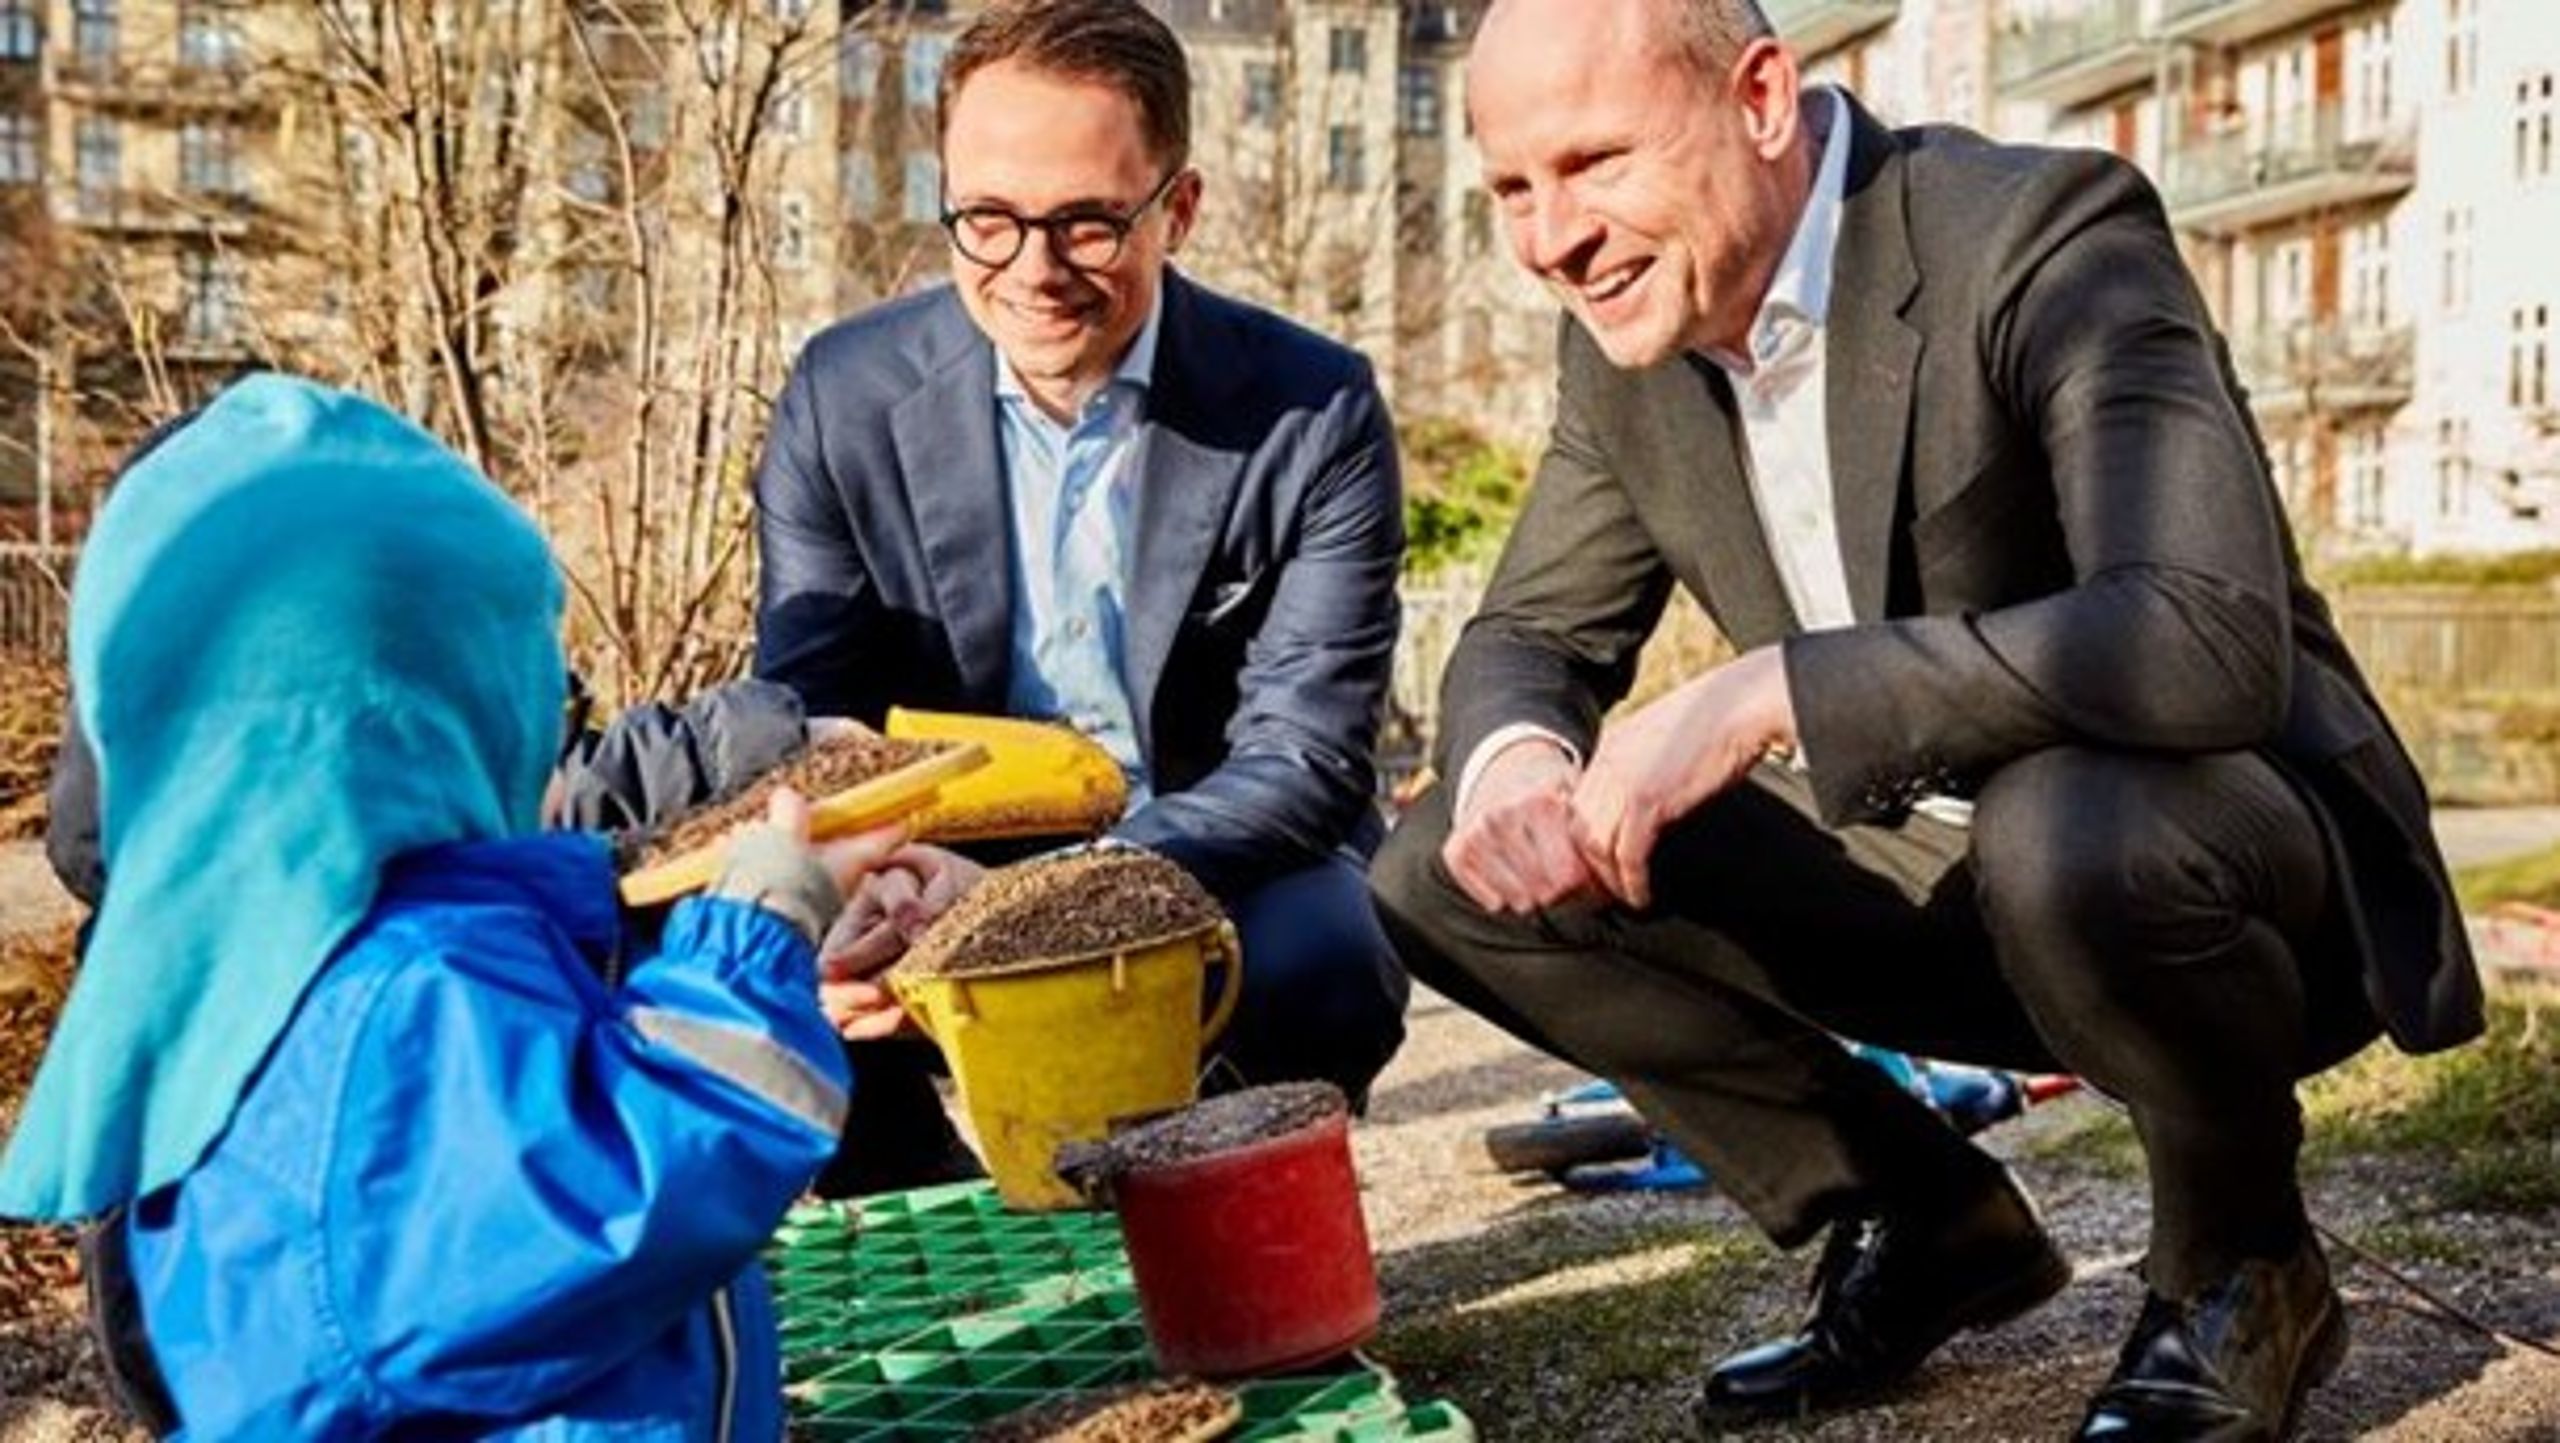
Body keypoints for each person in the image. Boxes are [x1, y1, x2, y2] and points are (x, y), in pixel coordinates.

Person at [1365, 3, 2481, 1439]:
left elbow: (2204, 635)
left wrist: (1773, 686)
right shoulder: (1628, 341)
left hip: (2217, 866)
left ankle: (2241, 1264)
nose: (1548, 239)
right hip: (1933, 867)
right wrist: (1517, 761)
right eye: (1514, 187)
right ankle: (1931, 1215)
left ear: (1761, 96)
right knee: (1432, 865)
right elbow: (1527, 632)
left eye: (1593, 161)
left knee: (2063, 826)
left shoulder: (2044, 234)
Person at [0, 375, 901, 1438]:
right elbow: (631, 1186)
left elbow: (524, 1094)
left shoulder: (297, 958)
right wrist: (756, 940)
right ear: (436, 699)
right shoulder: (397, 987)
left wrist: (732, 950)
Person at [734, 0, 1412, 1189]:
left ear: (1177, 208)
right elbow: (814, 719)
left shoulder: (1312, 410)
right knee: (767, 951)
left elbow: (1305, 763)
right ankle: (945, 1239)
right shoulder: (842, 398)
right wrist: (871, 887)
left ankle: (1222, 1203)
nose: (1033, 272)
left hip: (1206, 857)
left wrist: (1039, 903)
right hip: (926, 868)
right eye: (987, 221)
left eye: (1089, 224)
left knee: (1327, 950)